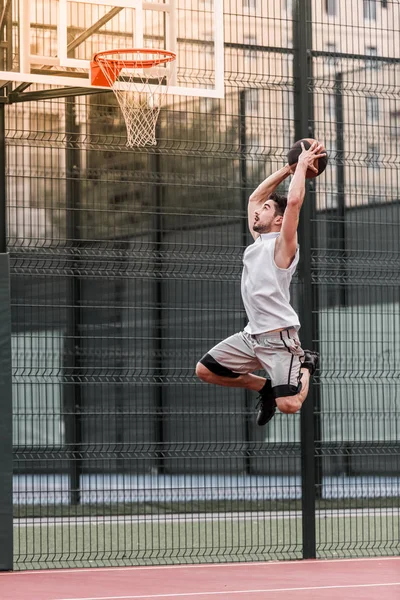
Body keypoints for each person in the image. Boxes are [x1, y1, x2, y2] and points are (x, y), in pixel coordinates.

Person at [196, 141, 326, 426]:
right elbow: (255, 196)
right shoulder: (259, 242)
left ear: (279, 220)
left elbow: (293, 202)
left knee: (289, 405)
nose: (257, 212)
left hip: (279, 340)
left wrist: (302, 168)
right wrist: (289, 168)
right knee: (205, 370)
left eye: (265, 209)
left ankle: (306, 364)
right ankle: (263, 387)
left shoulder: (284, 246)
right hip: (251, 336)